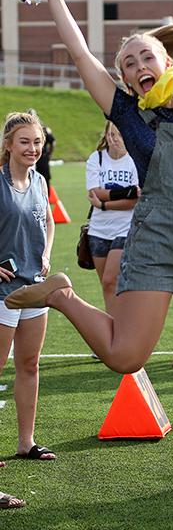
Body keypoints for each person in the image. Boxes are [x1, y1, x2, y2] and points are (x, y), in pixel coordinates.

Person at [6, 0, 173, 375]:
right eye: (129, 64)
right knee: (125, 357)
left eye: (146, 57)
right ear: (126, 79)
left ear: (167, 61)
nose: (139, 66)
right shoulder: (127, 113)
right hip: (156, 238)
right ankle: (62, 295)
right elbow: (82, 53)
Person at [0, 112, 56, 462]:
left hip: (35, 286)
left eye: (36, 142)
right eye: (24, 142)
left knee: (30, 364)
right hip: (3, 292)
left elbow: (49, 220)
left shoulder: (38, 180)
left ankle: (26, 442)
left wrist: (47, 253)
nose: (32, 148)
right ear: (8, 145)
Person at [86, 122, 139, 316]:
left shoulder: (133, 160)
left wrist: (104, 204)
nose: (114, 139)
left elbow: (135, 200)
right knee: (107, 287)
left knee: (111, 279)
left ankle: (123, 328)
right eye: (111, 134)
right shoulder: (97, 158)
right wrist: (126, 192)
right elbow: (95, 193)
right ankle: (114, 328)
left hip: (124, 229)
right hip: (98, 231)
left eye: (119, 135)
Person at [27, 109, 55, 188]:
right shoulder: (23, 130)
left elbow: (52, 141)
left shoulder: (43, 129)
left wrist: (49, 154)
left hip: (41, 158)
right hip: (31, 158)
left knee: (44, 180)